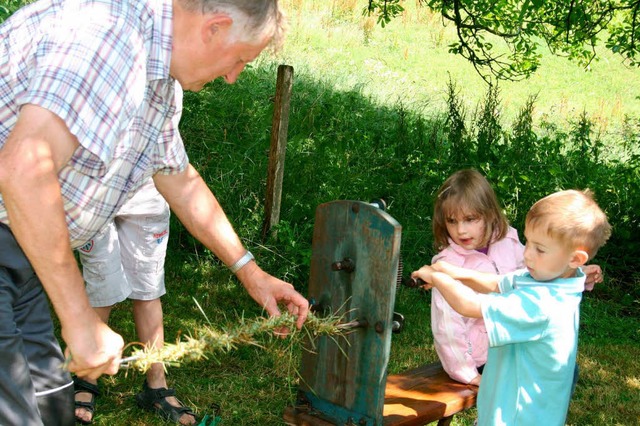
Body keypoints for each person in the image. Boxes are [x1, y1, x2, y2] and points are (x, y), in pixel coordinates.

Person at [0, 1, 309, 425]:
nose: (234, 76)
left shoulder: (159, 79)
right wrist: (80, 322)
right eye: (240, 59)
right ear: (214, 27)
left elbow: (180, 181)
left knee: (49, 408)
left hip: (20, 252)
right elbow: (23, 169)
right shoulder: (110, 39)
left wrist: (252, 275)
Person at [412, 189, 611, 425]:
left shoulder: (542, 304)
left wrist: (437, 279)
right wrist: (453, 271)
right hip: (504, 404)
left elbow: (470, 305)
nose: (527, 255)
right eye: (527, 242)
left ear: (575, 259)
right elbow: (498, 282)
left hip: (519, 417)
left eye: (540, 249)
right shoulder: (551, 277)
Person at [73, 86, 197, 425]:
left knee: (148, 285)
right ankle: (86, 376)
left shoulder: (173, 73)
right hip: (94, 187)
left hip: (148, 188)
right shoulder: (105, 56)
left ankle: (156, 385)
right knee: (102, 283)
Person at [429, 169, 603, 386]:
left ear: (490, 213)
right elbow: (447, 327)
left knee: (564, 370)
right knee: (527, 381)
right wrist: (466, 371)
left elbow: (535, 274)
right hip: (480, 357)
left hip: (516, 341)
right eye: (452, 221)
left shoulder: (507, 242)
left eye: (470, 219)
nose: (461, 230)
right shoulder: (447, 266)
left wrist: (575, 274)